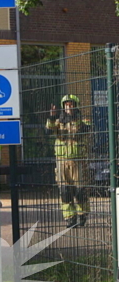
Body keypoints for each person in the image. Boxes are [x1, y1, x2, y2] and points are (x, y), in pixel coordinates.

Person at [46, 94, 92, 228]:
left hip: (78, 161)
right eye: (66, 104)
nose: (69, 106)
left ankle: (82, 214)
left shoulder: (83, 119)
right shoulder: (59, 121)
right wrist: (52, 116)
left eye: (71, 104)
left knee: (80, 191)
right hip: (61, 161)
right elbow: (48, 131)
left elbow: (83, 130)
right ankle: (70, 218)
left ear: (76, 105)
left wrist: (74, 118)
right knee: (65, 191)